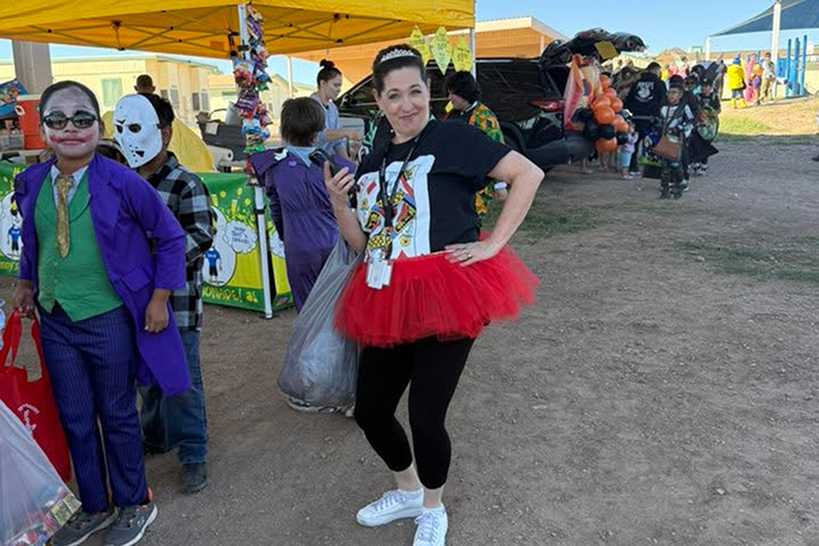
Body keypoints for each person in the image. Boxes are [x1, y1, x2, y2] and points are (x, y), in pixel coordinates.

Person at [323, 45, 543, 546]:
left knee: (425, 414)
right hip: (384, 293)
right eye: (395, 95)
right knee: (371, 411)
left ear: (430, 93)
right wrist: (340, 205)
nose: (407, 105)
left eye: (416, 92)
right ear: (378, 100)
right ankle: (406, 489)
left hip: (448, 292)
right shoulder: (376, 151)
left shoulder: (454, 137)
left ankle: (432, 507)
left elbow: (527, 174)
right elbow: (365, 242)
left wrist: (493, 244)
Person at [12, 80, 188, 546]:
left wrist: (159, 298)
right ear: (44, 128)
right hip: (55, 319)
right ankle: (94, 505)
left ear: (99, 126)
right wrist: (27, 282)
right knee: (73, 414)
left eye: (82, 118)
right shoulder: (29, 181)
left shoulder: (123, 180)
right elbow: (35, 240)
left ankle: (135, 502)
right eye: (58, 119)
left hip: (108, 317)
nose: (70, 128)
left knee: (115, 413)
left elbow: (170, 238)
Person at [113, 92, 215, 494]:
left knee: (182, 379)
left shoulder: (186, 183)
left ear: (166, 132)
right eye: (121, 129)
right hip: (131, 306)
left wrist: (153, 266)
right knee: (146, 379)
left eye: (136, 128)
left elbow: (201, 235)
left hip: (178, 305)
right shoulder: (120, 183)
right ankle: (155, 436)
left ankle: (194, 452)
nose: (127, 139)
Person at [250, 97, 352, 311]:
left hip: (298, 246)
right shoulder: (336, 166)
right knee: (340, 307)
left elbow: (275, 209)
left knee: (307, 311)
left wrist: (287, 236)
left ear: (284, 132)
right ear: (317, 135)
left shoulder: (273, 167)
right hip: (335, 244)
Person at [444, 71, 509, 223]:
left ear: (464, 93)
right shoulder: (452, 114)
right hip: (454, 181)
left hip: (476, 183)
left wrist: (500, 184)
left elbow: (498, 150)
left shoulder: (485, 118)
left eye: (452, 94)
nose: (449, 98)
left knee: (470, 221)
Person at [311, 60, 359, 161]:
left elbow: (337, 142)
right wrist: (345, 132)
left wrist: (347, 162)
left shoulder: (332, 107)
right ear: (323, 83)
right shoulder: (311, 105)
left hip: (324, 161)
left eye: (340, 86)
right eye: (336, 85)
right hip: (309, 161)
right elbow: (318, 136)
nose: (339, 89)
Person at [625, 62, 667, 175]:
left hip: (637, 117)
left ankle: (632, 167)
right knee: (651, 143)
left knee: (634, 142)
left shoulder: (636, 83)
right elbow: (663, 100)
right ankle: (651, 169)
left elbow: (628, 100)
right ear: (656, 71)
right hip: (652, 118)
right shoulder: (659, 83)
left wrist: (634, 110)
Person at [658, 80, 695, 199]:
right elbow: (659, 121)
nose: (671, 95)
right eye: (669, 92)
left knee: (676, 164)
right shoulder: (663, 108)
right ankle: (665, 187)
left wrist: (682, 129)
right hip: (665, 139)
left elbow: (691, 122)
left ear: (680, 95)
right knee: (665, 165)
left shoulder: (684, 108)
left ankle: (679, 184)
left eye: (674, 93)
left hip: (678, 140)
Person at [619, 114, 639, 180]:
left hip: (627, 152)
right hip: (626, 152)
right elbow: (632, 141)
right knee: (626, 165)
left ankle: (624, 174)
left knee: (625, 164)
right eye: (632, 128)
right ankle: (625, 175)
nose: (633, 129)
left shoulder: (627, 134)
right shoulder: (627, 135)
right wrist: (636, 136)